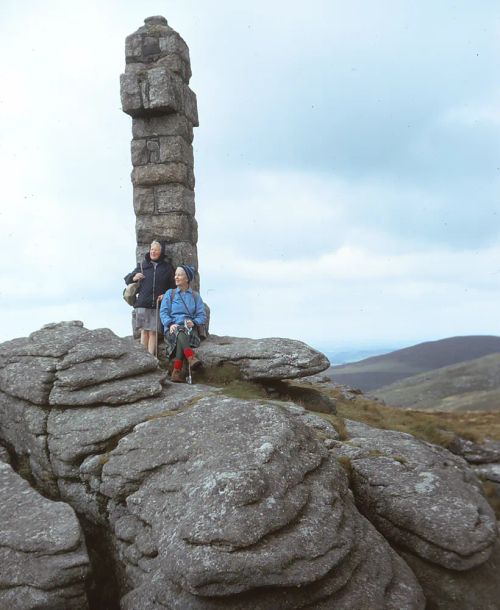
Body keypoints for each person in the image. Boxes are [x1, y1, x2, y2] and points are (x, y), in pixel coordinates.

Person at [124, 241, 175, 355]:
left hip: (157, 304)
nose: (153, 251)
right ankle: (144, 359)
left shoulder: (168, 268)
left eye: (156, 249)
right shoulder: (142, 265)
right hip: (142, 303)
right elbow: (127, 280)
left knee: (153, 332)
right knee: (144, 332)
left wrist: (166, 295)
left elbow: (173, 287)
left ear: (161, 252)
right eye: (152, 249)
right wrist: (134, 276)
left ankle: (151, 358)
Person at [159, 265, 206, 382]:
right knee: (179, 330)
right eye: (176, 275)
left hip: (190, 330)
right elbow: (163, 312)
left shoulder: (195, 296)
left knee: (182, 331)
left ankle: (176, 372)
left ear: (187, 279)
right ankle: (190, 357)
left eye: (179, 275)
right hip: (172, 329)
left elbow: (202, 316)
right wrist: (170, 324)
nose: (176, 277)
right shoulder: (170, 293)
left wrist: (193, 322)